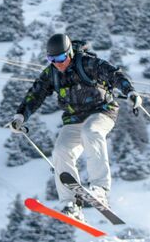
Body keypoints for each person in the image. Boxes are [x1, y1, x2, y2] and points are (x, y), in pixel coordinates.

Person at [9, 34, 141, 221]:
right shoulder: (51, 73)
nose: (58, 63)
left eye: (61, 58)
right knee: (61, 151)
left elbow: (114, 74)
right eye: (52, 59)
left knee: (91, 132)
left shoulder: (87, 64)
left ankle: (100, 189)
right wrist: (20, 116)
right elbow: (35, 94)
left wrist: (130, 91)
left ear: (69, 53)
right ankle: (72, 203)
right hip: (73, 119)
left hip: (101, 111)